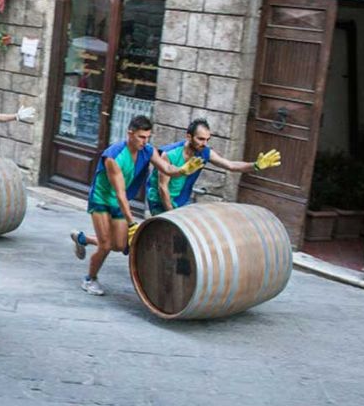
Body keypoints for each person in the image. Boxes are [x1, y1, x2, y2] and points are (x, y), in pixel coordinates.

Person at [69, 115, 206, 297]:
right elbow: (120, 194)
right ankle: (90, 279)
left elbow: (167, 168)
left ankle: (82, 238)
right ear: (130, 133)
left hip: (119, 200)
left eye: (148, 137)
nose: (145, 141)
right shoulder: (114, 157)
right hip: (102, 199)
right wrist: (132, 223)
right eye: (141, 137)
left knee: (119, 245)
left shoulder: (147, 150)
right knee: (106, 245)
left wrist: (183, 170)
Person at [147, 118, 282, 216]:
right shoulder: (170, 154)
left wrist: (255, 165)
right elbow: (163, 187)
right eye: (200, 139)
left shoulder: (204, 152)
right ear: (189, 137)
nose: (205, 143)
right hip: (160, 200)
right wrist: (172, 215)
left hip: (181, 199)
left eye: (207, 139)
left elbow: (230, 165)